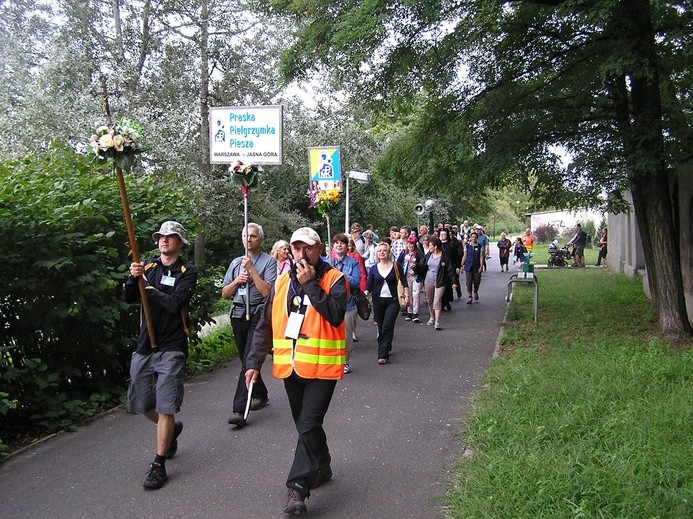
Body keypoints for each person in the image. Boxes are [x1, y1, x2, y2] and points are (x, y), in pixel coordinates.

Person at [244, 227, 347, 515]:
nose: (302, 254)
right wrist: (253, 363)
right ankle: (322, 464)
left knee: (308, 423)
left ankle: (297, 489)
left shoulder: (335, 280)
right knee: (305, 425)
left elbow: (336, 315)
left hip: (322, 370)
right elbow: (265, 325)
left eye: (308, 248)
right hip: (291, 367)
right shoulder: (280, 284)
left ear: (320, 249)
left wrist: (312, 285)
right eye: (296, 248)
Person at [125, 221, 198, 490]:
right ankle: (170, 431)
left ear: (180, 242)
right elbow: (130, 297)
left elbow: (174, 303)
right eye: (161, 237)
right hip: (146, 344)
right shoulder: (148, 267)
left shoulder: (187, 271)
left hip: (172, 344)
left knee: (166, 404)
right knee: (143, 404)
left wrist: (150, 288)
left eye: (170, 237)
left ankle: (158, 463)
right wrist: (133, 278)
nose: (164, 241)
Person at [222, 223, 277, 427]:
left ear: (260, 239)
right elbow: (225, 293)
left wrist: (252, 270)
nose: (249, 239)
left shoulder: (269, 262)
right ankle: (260, 393)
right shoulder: (236, 262)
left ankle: (239, 409)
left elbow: (267, 293)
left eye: (253, 236)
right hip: (237, 313)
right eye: (246, 236)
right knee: (246, 358)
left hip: (257, 313)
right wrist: (237, 281)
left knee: (248, 359)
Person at [365, 241, 409, 363]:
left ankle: (382, 355)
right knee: (380, 326)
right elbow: (369, 284)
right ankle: (386, 345)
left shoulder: (396, 266)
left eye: (384, 250)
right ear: (377, 253)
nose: (382, 252)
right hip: (378, 301)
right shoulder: (374, 269)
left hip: (393, 301)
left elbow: (403, 282)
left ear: (388, 252)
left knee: (387, 326)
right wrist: (365, 293)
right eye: (379, 251)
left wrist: (406, 295)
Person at [330, 233, 361, 374]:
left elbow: (355, 281)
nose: (339, 245)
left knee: (347, 335)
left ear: (346, 246)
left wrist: (339, 274)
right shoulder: (327, 262)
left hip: (348, 305)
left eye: (342, 243)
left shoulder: (352, 263)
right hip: (330, 304)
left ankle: (346, 361)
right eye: (336, 243)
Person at [421, 235, 456, 329]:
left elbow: (450, 269)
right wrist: (415, 267)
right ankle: (431, 317)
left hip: (440, 281)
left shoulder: (444, 257)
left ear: (435, 246)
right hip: (428, 280)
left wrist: (454, 282)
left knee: (437, 301)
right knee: (430, 301)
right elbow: (422, 264)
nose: (429, 247)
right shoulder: (429, 254)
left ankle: (437, 321)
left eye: (430, 245)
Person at [398, 235, 425, 322]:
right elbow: (398, 263)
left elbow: (423, 266)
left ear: (415, 245)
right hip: (406, 277)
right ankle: (409, 312)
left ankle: (415, 313)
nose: (410, 246)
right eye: (408, 244)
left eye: (411, 244)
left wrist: (416, 269)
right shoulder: (403, 253)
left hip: (416, 277)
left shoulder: (419, 255)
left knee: (416, 295)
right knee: (408, 294)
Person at [461, 231, 485, 304]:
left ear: (477, 238)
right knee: (469, 281)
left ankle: (475, 291)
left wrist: (481, 266)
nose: (474, 238)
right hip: (468, 266)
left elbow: (481, 257)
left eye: (475, 237)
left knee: (477, 281)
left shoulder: (480, 246)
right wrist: (461, 265)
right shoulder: (467, 246)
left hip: (476, 266)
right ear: (470, 238)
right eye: (472, 237)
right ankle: (470, 296)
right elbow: (465, 256)